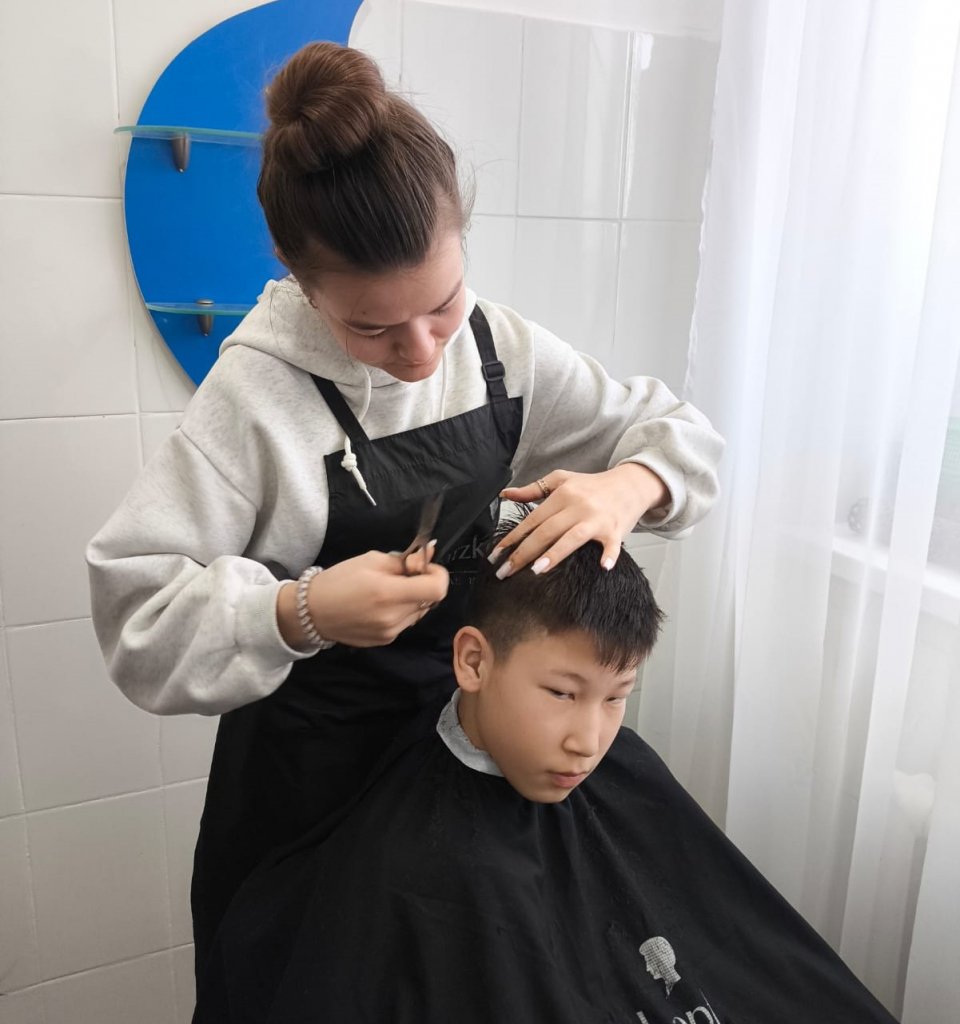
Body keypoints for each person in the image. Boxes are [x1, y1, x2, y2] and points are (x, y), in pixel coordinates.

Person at [86, 41, 724, 974]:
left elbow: (685, 438)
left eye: (443, 304)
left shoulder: (500, 351)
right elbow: (136, 615)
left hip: (470, 762)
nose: (424, 353)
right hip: (313, 793)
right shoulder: (255, 402)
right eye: (373, 327)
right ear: (303, 283)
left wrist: (627, 486)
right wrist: (300, 611)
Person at [192, 519, 898, 1024]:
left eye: (617, 698)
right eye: (562, 693)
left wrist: (634, 481)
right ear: (473, 661)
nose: (588, 742)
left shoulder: (623, 767)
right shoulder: (408, 864)